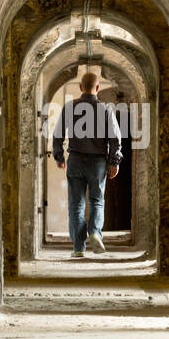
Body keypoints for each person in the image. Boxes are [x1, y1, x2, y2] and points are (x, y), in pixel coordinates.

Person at [52, 71, 122, 258]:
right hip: (97, 162)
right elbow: (115, 139)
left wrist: (59, 157)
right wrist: (114, 162)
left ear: (81, 87)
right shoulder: (106, 109)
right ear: (98, 88)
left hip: (75, 159)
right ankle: (94, 233)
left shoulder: (69, 107)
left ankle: (78, 248)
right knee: (97, 201)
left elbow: (57, 134)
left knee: (76, 205)